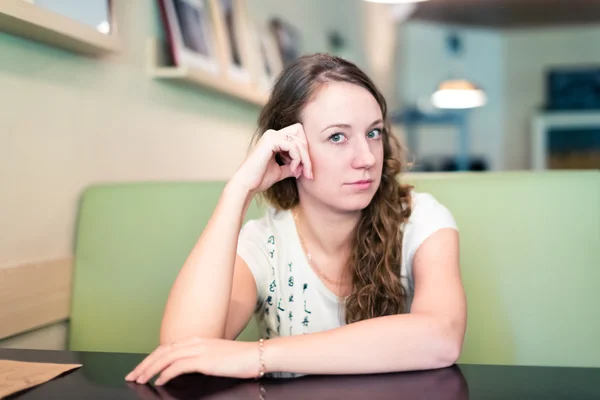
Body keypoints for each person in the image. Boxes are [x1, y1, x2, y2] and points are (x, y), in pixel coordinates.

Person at [125, 53, 466, 386]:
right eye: (337, 136)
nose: (366, 158)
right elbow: (183, 353)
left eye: (374, 133)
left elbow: (442, 337)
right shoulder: (264, 242)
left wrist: (256, 357)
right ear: (289, 149)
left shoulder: (420, 219)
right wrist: (239, 192)